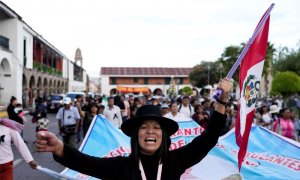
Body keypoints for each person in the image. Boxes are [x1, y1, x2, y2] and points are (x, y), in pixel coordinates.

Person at [36, 78, 232, 179]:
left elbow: (210, 136)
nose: (150, 131)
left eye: (156, 128)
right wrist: (60, 148)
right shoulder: (122, 167)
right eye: (144, 127)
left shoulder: (176, 161)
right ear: (135, 135)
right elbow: (86, 163)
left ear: (163, 136)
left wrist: (222, 100)